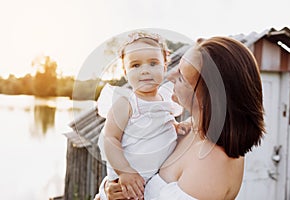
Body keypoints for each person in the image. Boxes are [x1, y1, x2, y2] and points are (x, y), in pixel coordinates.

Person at [94, 35, 265, 200]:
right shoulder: (189, 128)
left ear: (209, 96)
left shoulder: (211, 161)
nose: (169, 76)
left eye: (181, 77)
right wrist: (110, 188)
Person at [96, 31, 190, 199]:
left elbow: (157, 126)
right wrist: (125, 171)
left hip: (147, 184)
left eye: (153, 63)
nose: (145, 71)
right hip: (126, 182)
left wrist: (175, 126)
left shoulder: (166, 97)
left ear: (165, 67)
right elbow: (109, 138)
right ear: (125, 72)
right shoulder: (126, 103)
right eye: (136, 65)